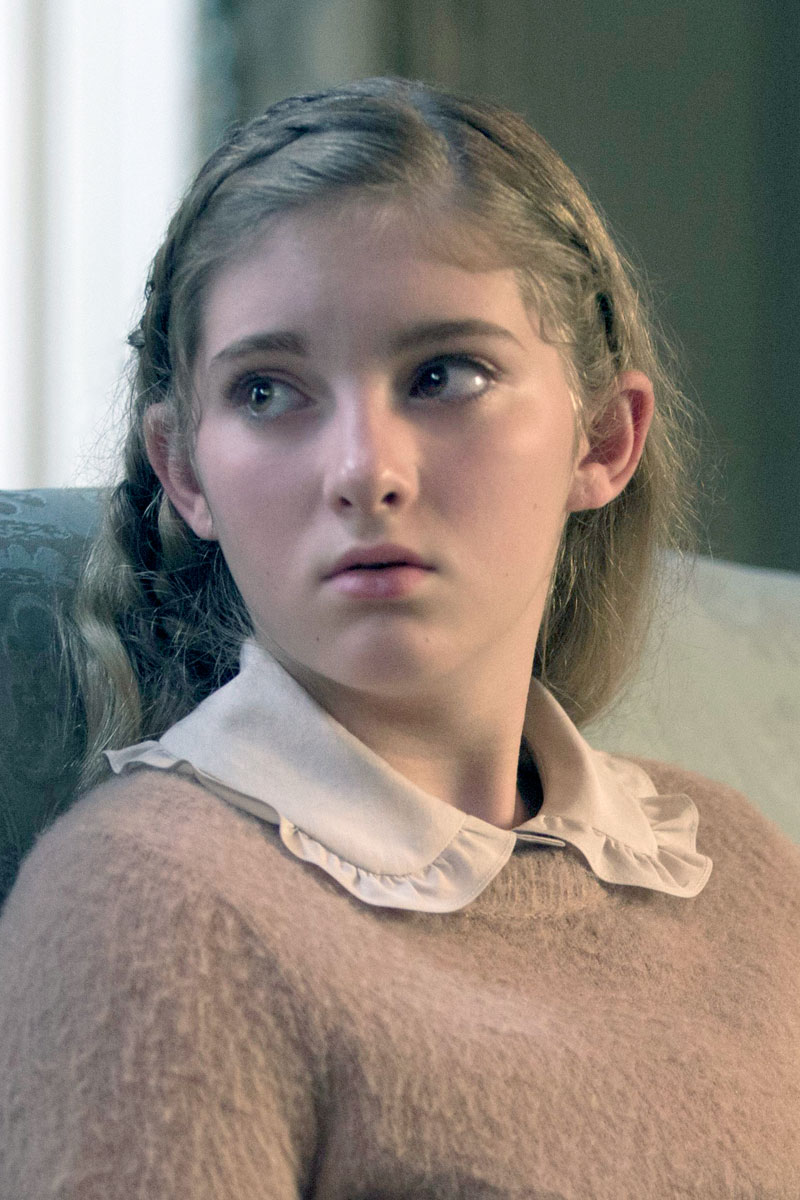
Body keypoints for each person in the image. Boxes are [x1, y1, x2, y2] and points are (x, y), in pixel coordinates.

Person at [0, 78, 797, 1199]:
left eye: (443, 375)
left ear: (602, 439)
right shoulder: (148, 904)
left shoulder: (738, 869)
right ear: (185, 472)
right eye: (268, 392)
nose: (364, 471)